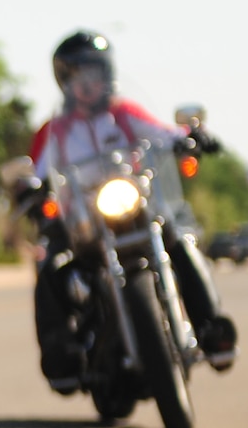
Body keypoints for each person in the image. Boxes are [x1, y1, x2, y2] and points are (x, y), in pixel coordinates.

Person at [27, 31, 235, 392]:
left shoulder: (124, 114)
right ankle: (62, 355)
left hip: (133, 205)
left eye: (94, 74)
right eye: (78, 77)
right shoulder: (56, 131)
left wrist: (191, 136)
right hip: (84, 223)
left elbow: (164, 133)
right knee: (52, 268)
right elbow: (38, 171)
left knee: (180, 241)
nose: (88, 85)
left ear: (107, 74)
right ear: (65, 83)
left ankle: (211, 328)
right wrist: (27, 188)